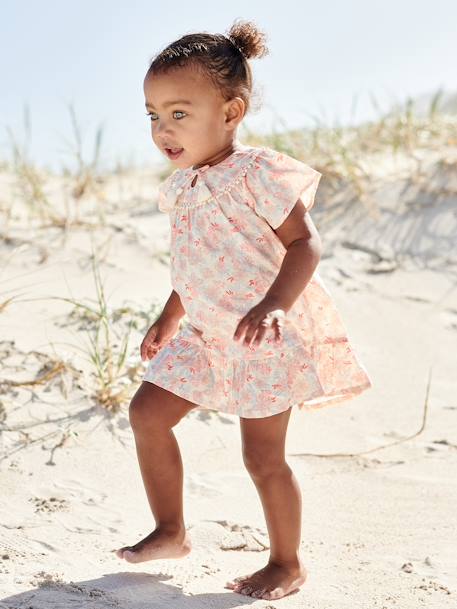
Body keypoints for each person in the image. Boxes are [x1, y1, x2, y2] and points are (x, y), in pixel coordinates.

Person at [115, 19, 372, 601]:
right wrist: (169, 315)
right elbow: (196, 264)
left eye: (179, 113)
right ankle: (170, 529)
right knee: (148, 413)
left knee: (262, 457)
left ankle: (287, 562)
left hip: (261, 336)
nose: (162, 130)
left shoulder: (256, 172)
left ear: (231, 113)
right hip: (204, 334)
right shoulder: (180, 188)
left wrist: (276, 304)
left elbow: (306, 243)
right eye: (153, 115)